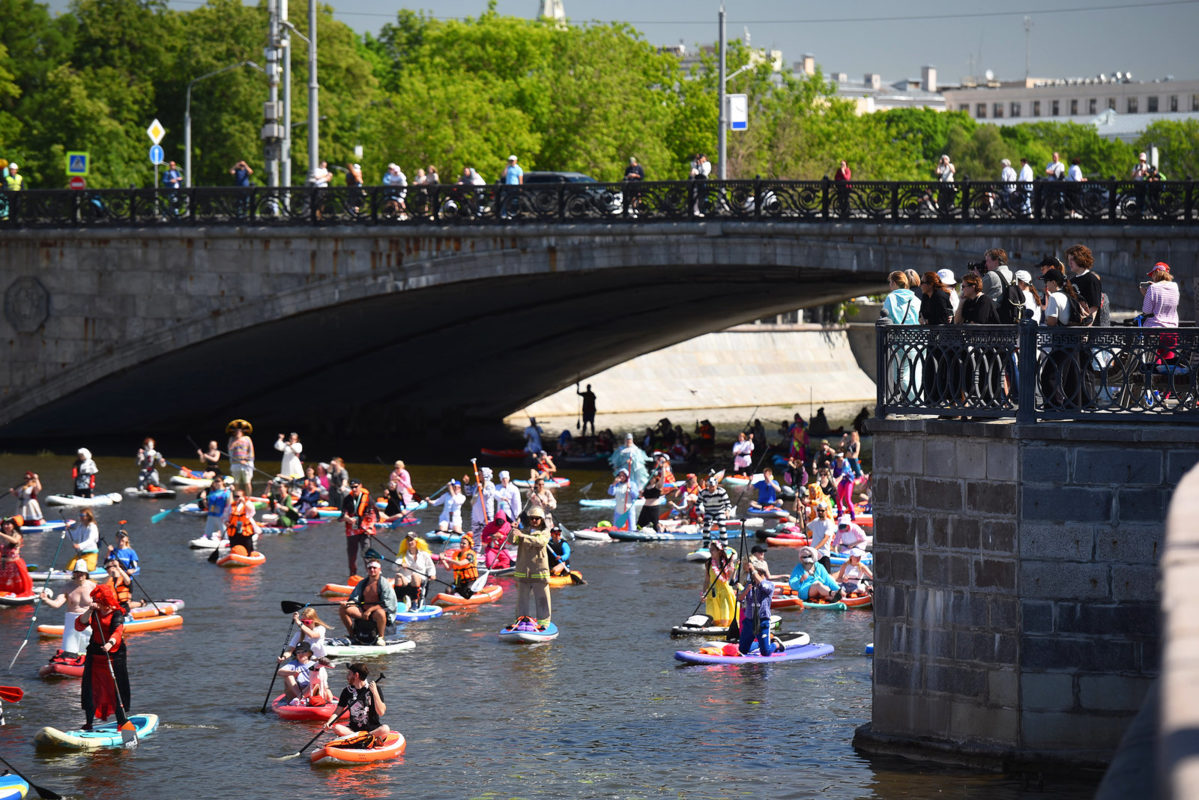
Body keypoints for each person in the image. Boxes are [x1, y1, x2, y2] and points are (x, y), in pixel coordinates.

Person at [75, 583, 130, 731]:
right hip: (95, 654)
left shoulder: (116, 613)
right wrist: (90, 610)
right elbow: (79, 625)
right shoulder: (94, 612)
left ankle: (122, 722)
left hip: (114, 655)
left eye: (97, 601)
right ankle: (88, 723)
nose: (95, 603)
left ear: (105, 601)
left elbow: (117, 633)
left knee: (115, 689)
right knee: (91, 689)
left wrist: (109, 644)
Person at [323, 663, 389, 745]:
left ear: (356, 675)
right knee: (336, 728)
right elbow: (337, 712)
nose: (347, 677)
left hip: (372, 730)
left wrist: (375, 692)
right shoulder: (346, 691)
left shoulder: (374, 689)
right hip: (353, 731)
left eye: (349, 674)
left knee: (385, 729)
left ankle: (362, 738)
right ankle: (364, 739)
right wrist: (329, 722)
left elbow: (381, 712)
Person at [41, 567, 96, 662]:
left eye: (82, 573)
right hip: (72, 620)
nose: (79, 575)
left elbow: (102, 603)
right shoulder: (67, 587)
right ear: (73, 574)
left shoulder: (93, 586)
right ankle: (69, 662)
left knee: (88, 644)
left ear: (86, 574)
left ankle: (89, 662)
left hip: (88, 618)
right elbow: (57, 604)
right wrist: (46, 600)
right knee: (70, 646)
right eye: (77, 573)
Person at [509, 507, 551, 628]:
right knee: (522, 600)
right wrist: (513, 530)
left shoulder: (545, 532)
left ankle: (544, 624)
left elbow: (540, 542)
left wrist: (522, 535)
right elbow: (512, 541)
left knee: (543, 599)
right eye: (532, 518)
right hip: (523, 572)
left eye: (537, 519)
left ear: (541, 520)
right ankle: (521, 622)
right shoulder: (523, 531)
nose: (534, 520)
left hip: (539, 572)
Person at [340, 558, 396, 646]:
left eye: (374, 568)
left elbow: (386, 603)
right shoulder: (362, 583)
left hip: (376, 613)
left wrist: (370, 611)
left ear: (379, 569)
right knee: (343, 609)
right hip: (363, 612)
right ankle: (352, 636)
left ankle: (381, 637)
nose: (372, 570)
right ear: (367, 569)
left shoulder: (384, 584)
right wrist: (348, 603)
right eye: (370, 568)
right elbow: (354, 598)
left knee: (381, 613)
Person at [738, 563, 777, 656]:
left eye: (752, 573)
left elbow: (763, 586)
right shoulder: (749, 584)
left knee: (765, 653)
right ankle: (759, 643)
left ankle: (776, 644)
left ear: (759, 573)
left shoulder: (769, 585)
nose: (750, 576)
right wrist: (747, 589)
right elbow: (739, 598)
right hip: (749, 621)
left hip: (762, 621)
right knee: (742, 650)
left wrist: (753, 570)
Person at [340, 479, 376, 578]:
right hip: (351, 531)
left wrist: (370, 527)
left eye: (356, 487)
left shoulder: (368, 498)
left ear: (360, 486)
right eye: (352, 487)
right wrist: (347, 518)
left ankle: (371, 576)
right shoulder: (347, 498)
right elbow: (342, 514)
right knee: (352, 556)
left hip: (365, 530)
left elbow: (373, 514)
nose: (354, 489)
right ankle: (352, 575)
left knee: (366, 554)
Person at [394, 533, 436, 608]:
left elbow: (430, 567)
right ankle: (399, 602)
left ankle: (414, 602)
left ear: (417, 541)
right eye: (408, 540)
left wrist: (432, 574)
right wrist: (400, 564)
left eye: (411, 540)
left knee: (414, 575)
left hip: (420, 581)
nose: (409, 542)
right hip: (406, 581)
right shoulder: (402, 555)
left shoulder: (424, 554)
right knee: (398, 576)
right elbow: (394, 567)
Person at [704, 539, 737, 627]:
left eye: (713, 550)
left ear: (719, 551)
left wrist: (731, 564)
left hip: (725, 592)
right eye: (710, 550)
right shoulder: (708, 563)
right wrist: (704, 593)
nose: (711, 552)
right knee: (713, 617)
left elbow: (730, 577)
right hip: (713, 592)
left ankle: (726, 629)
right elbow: (707, 579)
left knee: (725, 618)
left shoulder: (726, 562)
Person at [0, 517, 32, 599]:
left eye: (8, 524)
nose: (6, 526)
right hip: (3, 564)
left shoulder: (17, 535)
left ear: (13, 525)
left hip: (15, 564)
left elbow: (14, 541)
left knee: (18, 584)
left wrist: (1, 534)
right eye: (4, 524)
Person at [698, 470, 732, 546]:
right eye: (709, 486)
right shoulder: (703, 493)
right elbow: (697, 504)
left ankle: (724, 545)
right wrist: (699, 516)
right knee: (706, 527)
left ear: (716, 485)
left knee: (722, 525)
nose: (711, 488)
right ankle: (706, 545)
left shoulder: (722, 492)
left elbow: (728, 504)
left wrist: (727, 511)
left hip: (719, 510)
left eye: (713, 486)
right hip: (708, 511)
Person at [1140, 261, 1179, 328]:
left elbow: (1146, 311)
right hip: (1172, 328)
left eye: (1152, 274)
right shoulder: (1175, 286)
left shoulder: (1152, 288)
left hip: (1154, 330)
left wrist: (1146, 295)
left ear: (1157, 272)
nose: (1152, 277)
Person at [441, 531, 479, 598]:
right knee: (448, 590)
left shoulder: (471, 555)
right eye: (461, 543)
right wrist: (443, 560)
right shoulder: (456, 554)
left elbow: (460, 564)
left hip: (470, 581)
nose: (461, 544)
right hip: (459, 581)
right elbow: (448, 568)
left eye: (464, 543)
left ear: (469, 545)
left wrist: (446, 558)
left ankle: (475, 593)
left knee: (467, 593)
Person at [224, 489, 259, 556]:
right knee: (234, 547)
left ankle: (249, 555)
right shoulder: (231, 506)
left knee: (248, 548)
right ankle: (235, 556)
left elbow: (251, 511)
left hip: (245, 531)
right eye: (235, 496)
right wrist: (226, 522)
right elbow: (225, 516)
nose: (236, 498)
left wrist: (244, 503)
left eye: (238, 496)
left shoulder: (248, 504)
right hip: (234, 531)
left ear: (243, 496)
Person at [466, 467, 496, 541]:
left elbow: (488, 495)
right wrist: (467, 483)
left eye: (480, 474)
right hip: (476, 515)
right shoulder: (476, 485)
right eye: (478, 474)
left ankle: (490, 549)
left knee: (488, 535)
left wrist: (482, 488)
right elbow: (468, 493)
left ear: (485, 475)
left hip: (485, 514)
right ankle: (476, 550)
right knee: (476, 535)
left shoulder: (490, 485)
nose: (477, 476)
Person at [67, 508, 100, 573]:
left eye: (82, 515)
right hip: (80, 554)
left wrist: (79, 545)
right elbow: (74, 537)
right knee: (69, 568)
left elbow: (90, 540)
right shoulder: (80, 526)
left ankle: (94, 566)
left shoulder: (92, 527)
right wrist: (67, 530)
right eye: (80, 515)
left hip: (91, 553)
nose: (80, 517)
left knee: (89, 569)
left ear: (88, 516)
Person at [805, 503, 836, 571]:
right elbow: (804, 529)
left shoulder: (829, 523)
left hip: (823, 554)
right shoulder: (815, 521)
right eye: (818, 510)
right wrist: (800, 515)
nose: (820, 512)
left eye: (822, 511)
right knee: (811, 573)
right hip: (814, 554)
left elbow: (825, 539)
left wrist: (814, 549)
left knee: (827, 576)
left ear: (826, 510)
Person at [227, 425, 256, 497]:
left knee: (247, 482)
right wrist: (235, 441)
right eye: (236, 431)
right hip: (235, 464)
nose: (237, 433)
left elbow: (251, 451)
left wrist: (247, 460)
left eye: (239, 431)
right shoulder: (232, 439)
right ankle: (236, 497)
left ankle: (249, 497)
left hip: (245, 464)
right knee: (236, 482)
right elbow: (230, 449)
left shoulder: (247, 438)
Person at [202, 476, 231, 544]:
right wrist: (204, 499)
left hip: (221, 514)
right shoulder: (212, 492)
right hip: (211, 513)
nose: (216, 483)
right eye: (215, 481)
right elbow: (207, 505)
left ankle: (226, 538)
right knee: (208, 528)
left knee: (223, 528)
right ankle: (207, 537)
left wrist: (227, 515)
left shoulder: (226, 492)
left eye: (218, 481)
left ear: (222, 482)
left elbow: (229, 504)